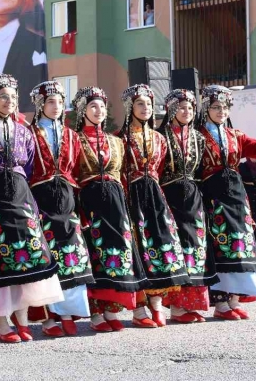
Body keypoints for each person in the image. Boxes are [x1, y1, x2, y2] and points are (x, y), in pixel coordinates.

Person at [0, 74, 62, 343]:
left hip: (22, 199)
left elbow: (30, 167)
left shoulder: (24, 131)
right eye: (2, 96)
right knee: (1, 258)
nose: (8, 101)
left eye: (12, 97)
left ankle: (22, 320)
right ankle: (2, 325)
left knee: (28, 256)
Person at [198, 85, 256, 320]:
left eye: (225, 107)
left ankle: (235, 299)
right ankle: (220, 303)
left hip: (236, 195)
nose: (221, 111)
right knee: (219, 245)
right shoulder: (197, 136)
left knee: (240, 244)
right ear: (206, 109)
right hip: (212, 194)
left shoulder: (235, 135)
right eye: (216, 107)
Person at [71, 86, 146, 333]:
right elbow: (72, 175)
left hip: (116, 202)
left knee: (120, 251)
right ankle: (96, 312)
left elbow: (123, 176)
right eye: (93, 106)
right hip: (90, 201)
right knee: (96, 255)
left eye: (102, 106)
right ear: (83, 110)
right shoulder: (74, 140)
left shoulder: (117, 141)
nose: (99, 110)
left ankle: (113, 308)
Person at [27, 81, 94, 337]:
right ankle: (49, 317)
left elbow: (76, 169)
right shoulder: (29, 133)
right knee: (46, 255)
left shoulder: (72, 136)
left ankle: (70, 312)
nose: (56, 107)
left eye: (59, 102)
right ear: (40, 105)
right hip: (39, 197)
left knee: (71, 254)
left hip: (67, 198)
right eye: (50, 102)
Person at [119, 84, 188, 328]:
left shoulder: (159, 138)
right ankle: (139, 309)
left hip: (155, 197)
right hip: (132, 197)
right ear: (129, 107)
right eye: (140, 103)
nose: (146, 108)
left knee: (161, 245)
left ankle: (157, 306)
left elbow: (159, 170)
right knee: (139, 249)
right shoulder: (120, 138)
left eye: (149, 103)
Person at [157, 89, 219, 324]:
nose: (187, 112)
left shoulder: (199, 138)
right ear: (171, 109)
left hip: (193, 196)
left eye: (191, 108)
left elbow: (202, 171)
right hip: (169, 196)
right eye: (182, 107)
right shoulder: (160, 136)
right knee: (177, 249)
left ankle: (191, 305)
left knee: (196, 247)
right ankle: (176, 307)